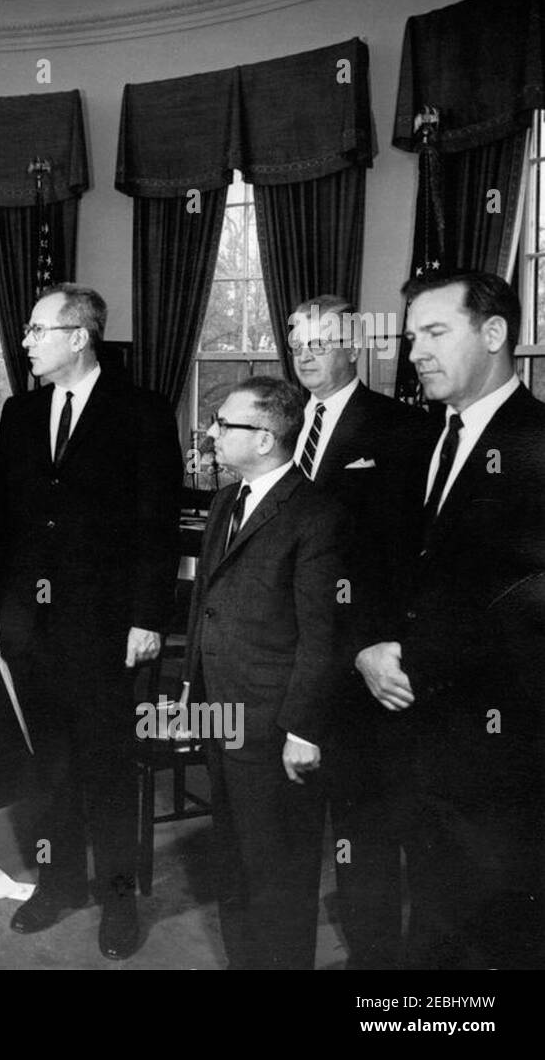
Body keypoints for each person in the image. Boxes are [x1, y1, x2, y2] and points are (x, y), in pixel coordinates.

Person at [0, 284, 179, 959]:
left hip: (107, 627)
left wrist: (148, 616)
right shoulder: (21, 411)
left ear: (79, 336)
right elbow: (3, 520)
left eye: (37, 329)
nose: (26, 341)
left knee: (107, 769)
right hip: (30, 625)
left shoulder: (143, 412)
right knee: (49, 768)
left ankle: (118, 902)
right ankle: (57, 886)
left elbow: (158, 521)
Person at [355, 270, 545, 970]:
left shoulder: (538, 442)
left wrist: (431, 661)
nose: (415, 353)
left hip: (505, 753)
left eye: (436, 333)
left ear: (494, 335)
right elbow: (381, 565)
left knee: (506, 934)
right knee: (433, 920)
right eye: (411, 338)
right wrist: (371, 645)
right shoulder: (418, 442)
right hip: (413, 740)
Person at [286, 295, 439, 970]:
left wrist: (366, 646)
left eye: (321, 342)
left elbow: (409, 557)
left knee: (362, 824)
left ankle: (373, 964)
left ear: (356, 346)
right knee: (283, 818)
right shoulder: (277, 424)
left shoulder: (403, 430)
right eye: (298, 344)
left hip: (356, 662)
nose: (307, 355)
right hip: (281, 656)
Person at [185, 377, 349, 970]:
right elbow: (206, 598)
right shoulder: (228, 499)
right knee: (231, 859)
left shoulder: (316, 513)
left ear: (266, 439)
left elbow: (322, 633)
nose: (211, 434)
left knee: (279, 870)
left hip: (276, 726)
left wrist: (304, 730)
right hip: (220, 713)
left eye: (224, 425)